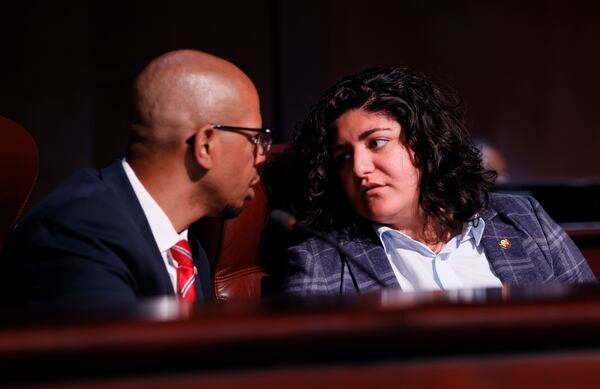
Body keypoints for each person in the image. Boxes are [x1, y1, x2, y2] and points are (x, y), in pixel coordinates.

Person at [280, 67, 595, 295]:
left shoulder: (523, 218)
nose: (360, 167)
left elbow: (588, 321)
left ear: (425, 144)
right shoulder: (323, 258)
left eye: (376, 142)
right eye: (343, 156)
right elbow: (310, 377)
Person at [0, 49, 272, 311]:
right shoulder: (79, 232)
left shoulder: (188, 248)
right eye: (255, 139)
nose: (262, 155)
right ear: (206, 146)